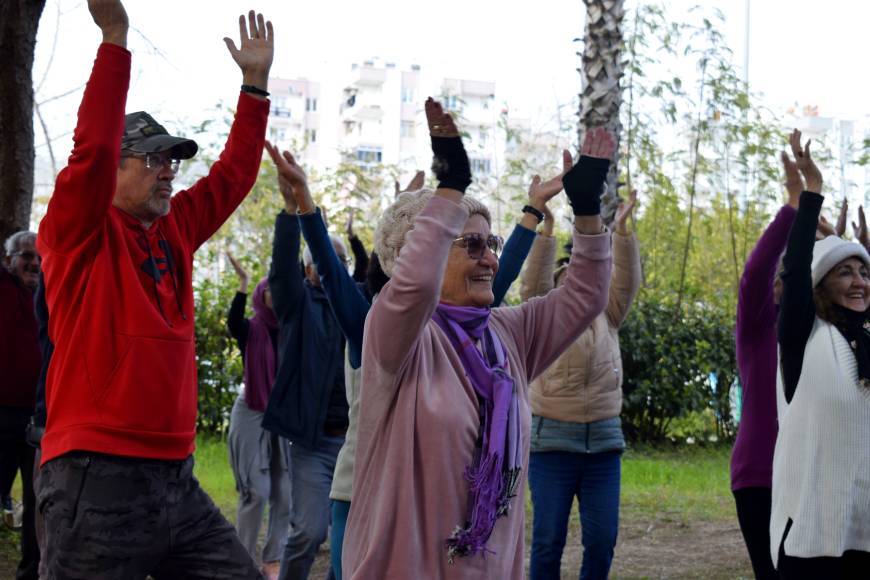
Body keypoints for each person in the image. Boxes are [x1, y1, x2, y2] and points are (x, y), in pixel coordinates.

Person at [34, 0, 274, 576]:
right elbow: (90, 151)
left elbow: (233, 176)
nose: (169, 169)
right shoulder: (77, 232)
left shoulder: (176, 228)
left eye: (172, 160)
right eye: (151, 158)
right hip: (94, 476)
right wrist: (115, 37)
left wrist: (255, 88)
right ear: (113, 170)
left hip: (177, 476)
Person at [264, 143, 564, 580]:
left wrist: (532, 212)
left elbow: (502, 273)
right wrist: (304, 207)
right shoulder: (369, 321)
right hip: (362, 486)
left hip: (416, 494)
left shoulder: (457, 326)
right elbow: (330, 269)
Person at [342, 98, 613, 579]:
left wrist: (588, 212)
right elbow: (413, 288)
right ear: (416, 252)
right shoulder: (396, 336)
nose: (489, 257)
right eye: (470, 243)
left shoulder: (508, 335)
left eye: (491, 242)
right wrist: (451, 183)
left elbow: (586, 295)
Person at [522, 186, 640, 580]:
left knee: (603, 539)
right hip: (551, 443)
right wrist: (546, 229)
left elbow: (626, 282)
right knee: (548, 540)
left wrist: (622, 233)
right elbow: (532, 286)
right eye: (569, 274)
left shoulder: (608, 311)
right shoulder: (545, 311)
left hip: (604, 444)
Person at [773, 129, 870, 578]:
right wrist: (812, 193)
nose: (858, 282)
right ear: (821, 284)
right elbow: (793, 277)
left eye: (864, 272)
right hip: (813, 537)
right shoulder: (803, 336)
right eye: (844, 272)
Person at [261, 143, 351, 580]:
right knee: (309, 532)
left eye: (344, 259)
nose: (337, 265)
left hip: (358, 443)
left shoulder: (362, 310)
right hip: (314, 445)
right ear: (312, 267)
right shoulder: (300, 304)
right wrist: (290, 207)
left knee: (352, 537)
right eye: (327, 258)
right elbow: (281, 270)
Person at [729, 153, 800, 580]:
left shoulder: (819, 331)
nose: (782, 282)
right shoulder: (758, 326)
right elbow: (754, 275)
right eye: (780, 276)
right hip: (760, 477)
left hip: (810, 474)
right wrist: (793, 207)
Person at [226, 254, 290, 580]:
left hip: (280, 415)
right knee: (257, 492)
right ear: (261, 295)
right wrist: (243, 284)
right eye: (269, 291)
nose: (275, 297)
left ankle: (273, 560)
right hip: (251, 410)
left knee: (285, 491)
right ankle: (243, 560)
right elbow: (232, 323)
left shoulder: (291, 329)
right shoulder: (251, 330)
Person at [0, 231, 42, 580]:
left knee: (36, 502)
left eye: (39, 258)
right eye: (25, 255)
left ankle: (29, 573)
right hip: (0, 414)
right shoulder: (3, 289)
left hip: (38, 419)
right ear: (7, 261)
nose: (33, 263)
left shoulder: (49, 297)